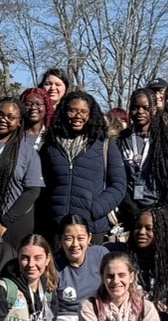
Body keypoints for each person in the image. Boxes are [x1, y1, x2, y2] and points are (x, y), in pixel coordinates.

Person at [38, 91, 129, 239]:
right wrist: (50, 212)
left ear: (91, 115)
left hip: (91, 226)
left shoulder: (105, 145)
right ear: (64, 112)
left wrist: (94, 210)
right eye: (72, 110)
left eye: (83, 112)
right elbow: (43, 184)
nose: (78, 116)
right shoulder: (50, 146)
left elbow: (119, 185)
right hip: (56, 227)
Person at [121, 87, 168, 262]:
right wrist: (134, 210)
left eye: (145, 107)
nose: (140, 111)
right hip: (135, 214)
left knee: (166, 265)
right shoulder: (121, 140)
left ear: (154, 109)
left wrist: (162, 210)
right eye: (135, 107)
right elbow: (117, 179)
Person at [0, 98, 46, 247]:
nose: (4, 119)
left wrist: (4, 221)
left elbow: (33, 191)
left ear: (19, 122)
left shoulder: (28, 152)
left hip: (14, 222)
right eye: (0, 114)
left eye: (10, 117)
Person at [55, 213, 107, 304]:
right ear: (60, 240)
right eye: (69, 239)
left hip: (98, 311)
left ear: (89, 238)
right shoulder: (54, 265)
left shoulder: (100, 255)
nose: (75, 244)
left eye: (80, 238)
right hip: (67, 315)